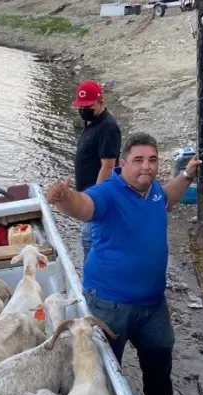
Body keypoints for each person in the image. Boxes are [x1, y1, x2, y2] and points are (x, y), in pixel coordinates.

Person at [45, 132, 201, 395]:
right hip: (110, 304)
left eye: (152, 160)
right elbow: (84, 206)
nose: (147, 167)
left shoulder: (153, 190)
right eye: (138, 160)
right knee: (104, 365)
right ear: (123, 163)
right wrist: (63, 198)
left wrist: (187, 176)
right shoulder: (108, 192)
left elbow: (167, 198)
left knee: (160, 351)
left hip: (152, 302)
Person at [70, 80, 122, 264]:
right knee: (88, 240)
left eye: (88, 106)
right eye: (80, 107)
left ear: (100, 102)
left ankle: (92, 281)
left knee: (90, 240)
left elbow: (107, 166)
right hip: (86, 193)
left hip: (96, 197)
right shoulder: (91, 123)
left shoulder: (107, 127)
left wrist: (96, 199)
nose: (83, 110)